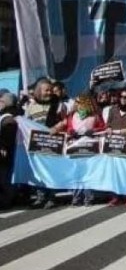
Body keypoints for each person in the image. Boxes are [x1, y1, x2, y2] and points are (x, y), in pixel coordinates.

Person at [25, 78, 67, 209]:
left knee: (51, 170)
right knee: (38, 171)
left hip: (53, 142)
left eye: (50, 90)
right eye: (46, 90)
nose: (49, 92)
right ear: (39, 91)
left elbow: (66, 121)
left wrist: (57, 128)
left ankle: (51, 197)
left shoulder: (58, 105)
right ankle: (40, 196)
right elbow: (26, 123)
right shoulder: (31, 107)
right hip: (37, 144)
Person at [66, 94, 105, 206]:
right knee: (76, 172)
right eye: (76, 102)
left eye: (79, 102)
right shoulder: (73, 115)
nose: (77, 104)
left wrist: (93, 130)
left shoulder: (95, 116)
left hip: (89, 147)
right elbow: (69, 127)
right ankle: (76, 196)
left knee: (89, 172)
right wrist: (71, 131)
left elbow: (102, 127)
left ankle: (89, 196)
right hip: (76, 146)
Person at [0, 92, 19, 210]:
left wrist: (2, 146)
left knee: (4, 177)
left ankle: (5, 200)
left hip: (5, 152)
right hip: (7, 151)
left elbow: (8, 136)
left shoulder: (7, 118)